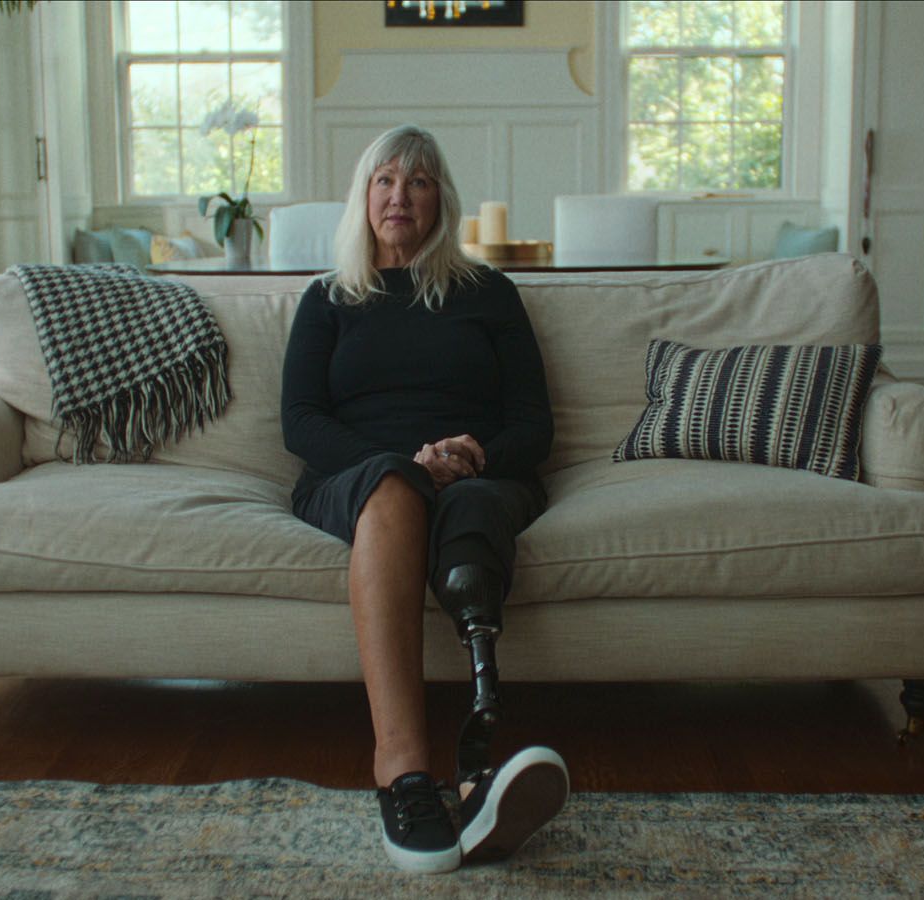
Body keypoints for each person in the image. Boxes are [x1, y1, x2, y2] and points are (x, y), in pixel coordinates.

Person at [280, 124, 568, 874]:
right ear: (363, 196)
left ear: (442, 199)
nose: (398, 196)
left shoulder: (488, 294)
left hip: (475, 478)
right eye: (384, 180)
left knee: (471, 514)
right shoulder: (329, 299)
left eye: (417, 181)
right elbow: (300, 421)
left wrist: (472, 457)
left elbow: (533, 424)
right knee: (395, 490)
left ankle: (478, 764)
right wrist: (401, 464)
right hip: (359, 477)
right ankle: (404, 771)